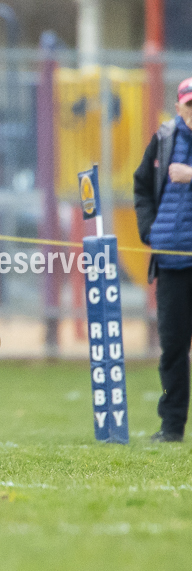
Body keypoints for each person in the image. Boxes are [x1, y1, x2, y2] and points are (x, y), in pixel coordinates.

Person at [134, 76, 192, 443]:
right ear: (178, 106)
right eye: (190, 105)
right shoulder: (164, 139)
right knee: (172, 347)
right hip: (171, 262)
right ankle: (171, 427)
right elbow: (141, 186)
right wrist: (149, 232)